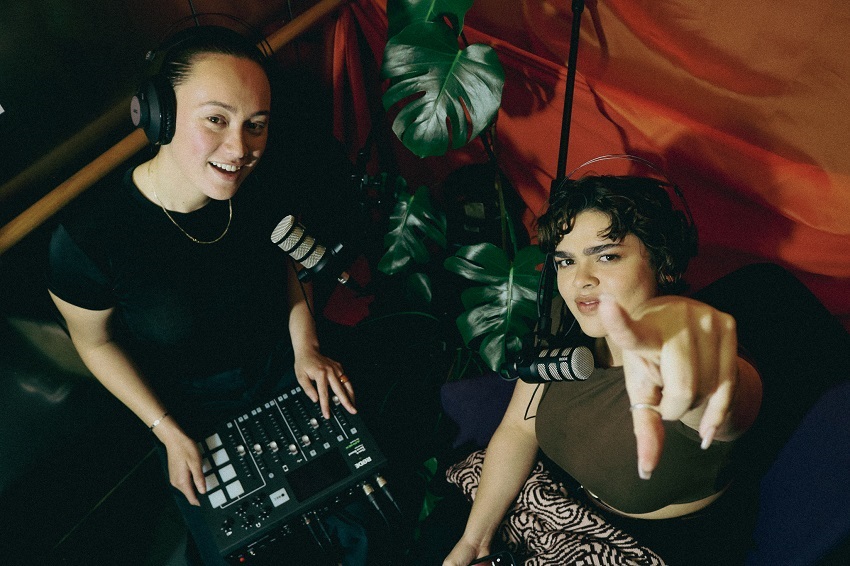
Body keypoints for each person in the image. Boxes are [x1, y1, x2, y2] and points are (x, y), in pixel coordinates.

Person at [46, 25, 357, 565]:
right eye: (215, 119)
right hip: (188, 409)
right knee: (240, 546)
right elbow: (94, 345)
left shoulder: (263, 183)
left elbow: (287, 264)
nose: (240, 149)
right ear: (159, 115)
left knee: (352, 506)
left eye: (256, 125)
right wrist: (166, 431)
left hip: (281, 367)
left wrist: (305, 344)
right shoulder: (88, 239)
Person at [442, 175, 764, 565]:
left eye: (607, 255)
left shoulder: (691, 360)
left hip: (650, 546)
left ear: (661, 263)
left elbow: (723, 393)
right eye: (566, 261)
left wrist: (682, 332)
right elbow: (518, 427)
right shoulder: (566, 324)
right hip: (559, 506)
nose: (581, 280)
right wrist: (474, 542)